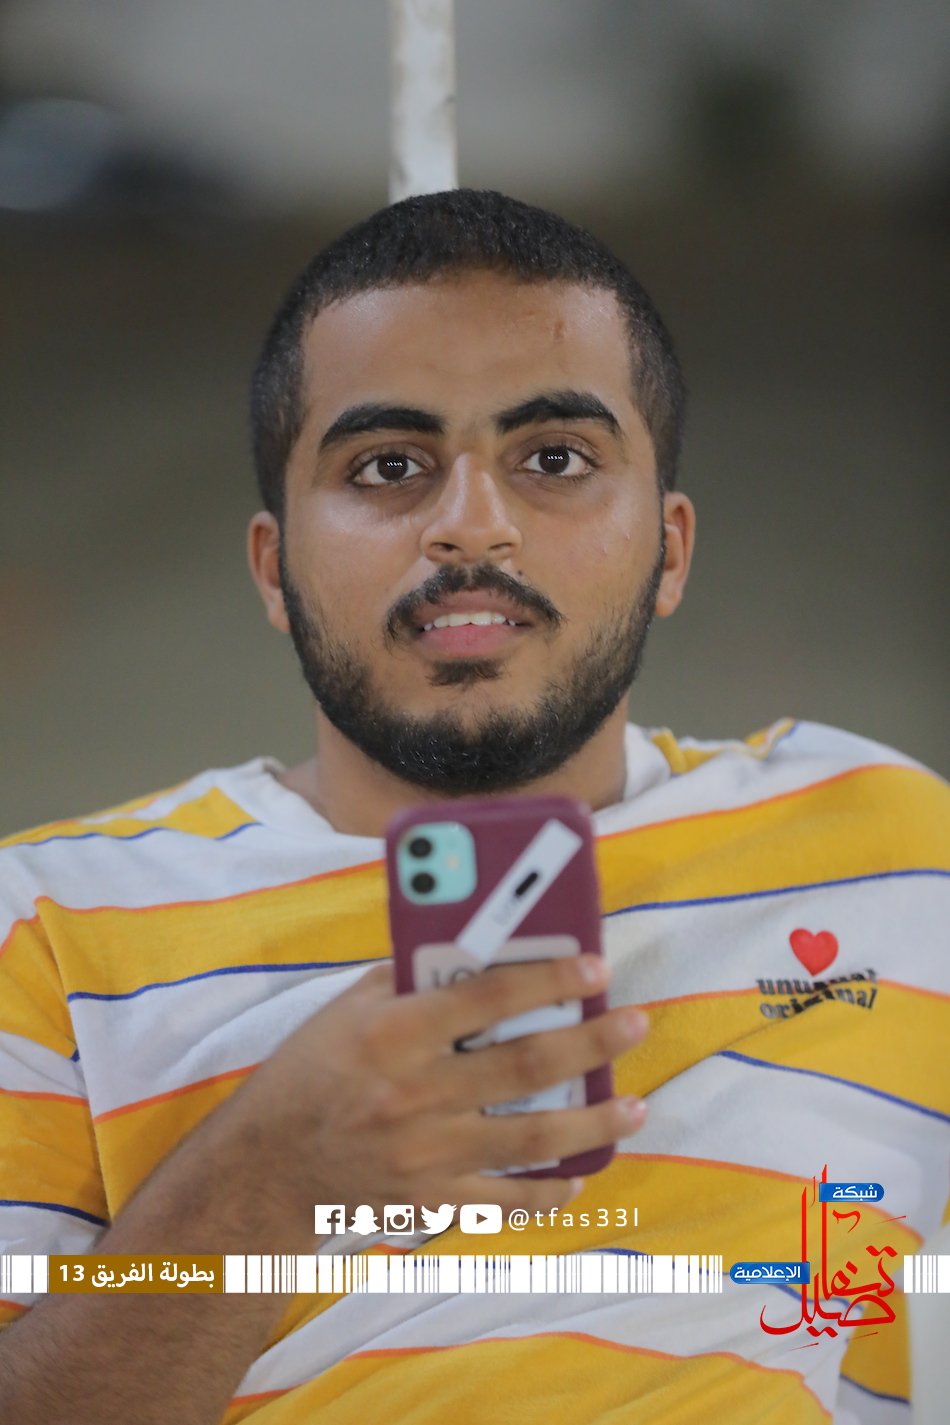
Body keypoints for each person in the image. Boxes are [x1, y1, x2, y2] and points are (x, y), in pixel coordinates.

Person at [0, 189, 947, 1425]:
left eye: (553, 459)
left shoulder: (888, 849)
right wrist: (264, 1176)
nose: (470, 526)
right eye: (387, 467)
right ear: (275, 569)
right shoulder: (46, 925)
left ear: (667, 551)